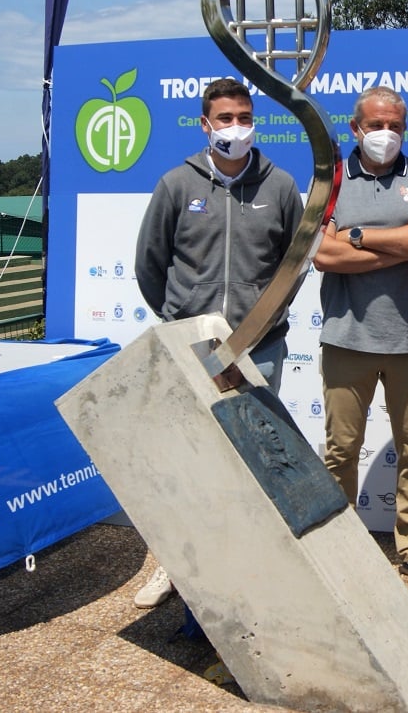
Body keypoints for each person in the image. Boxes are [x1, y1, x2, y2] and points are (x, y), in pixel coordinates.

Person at [132, 77, 304, 608]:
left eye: (243, 117)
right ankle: (172, 566)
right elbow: (150, 262)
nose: (236, 127)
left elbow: (293, 266)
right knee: (190, 460)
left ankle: (254, 564)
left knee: (257, 458)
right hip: (197, 347)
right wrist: (179, 318)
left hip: (261, 346)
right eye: (225, 118)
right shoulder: (176, 185)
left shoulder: (279, 187)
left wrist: (265, 317)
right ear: (205, 125)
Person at [312, 86, 408, 592]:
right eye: (375, 126)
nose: (385, 135)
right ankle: (339, 549)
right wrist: (396, 244)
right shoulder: (331, 179)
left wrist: (356, 236)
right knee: (341, 450)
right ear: (356, 128)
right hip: (346, 337)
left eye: (395, 126)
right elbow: (322, 256)